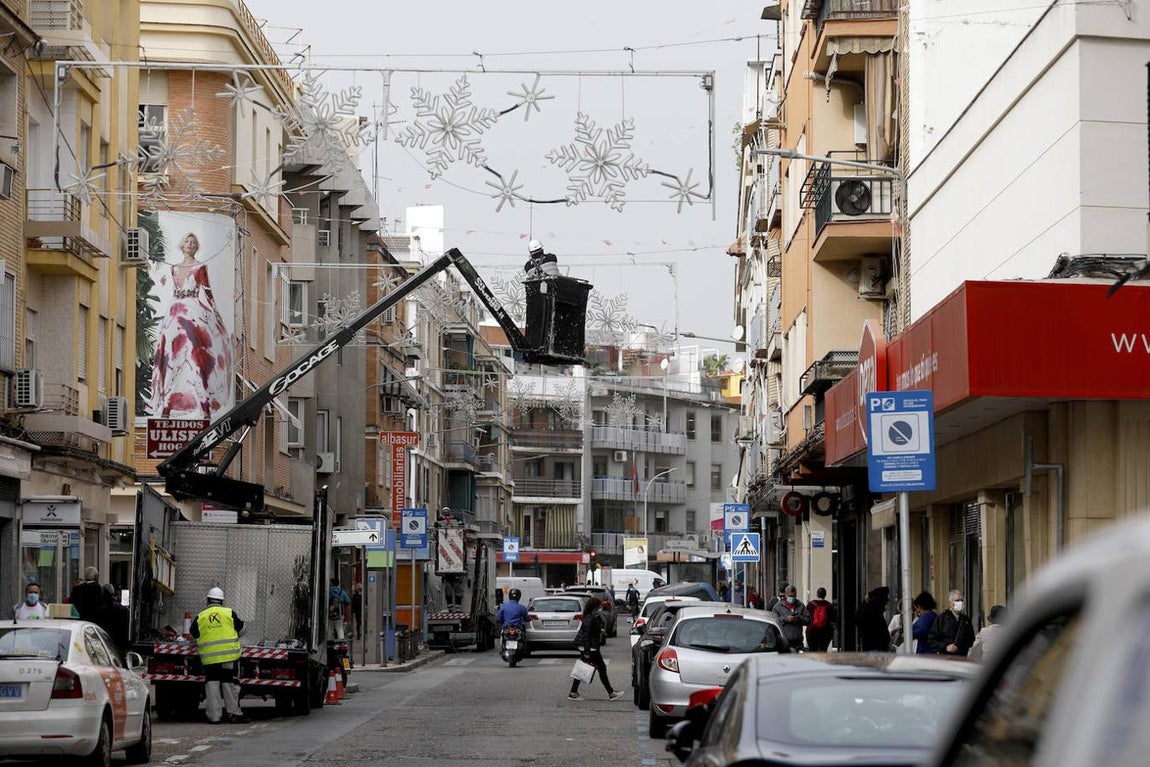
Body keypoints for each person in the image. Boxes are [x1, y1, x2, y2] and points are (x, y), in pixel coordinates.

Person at [149, 231, 233, 419]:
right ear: (183, 244)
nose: (190, 244)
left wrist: (216, 315)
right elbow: (174, 291)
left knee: (196, 357)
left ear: (196, 246)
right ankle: (166, 407)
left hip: (193, 311)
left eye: (193, 242)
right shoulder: (174, 267)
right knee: (171, 357)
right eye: (187, 241)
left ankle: (204, 406)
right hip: (175, 312)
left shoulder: (200, 267)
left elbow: (208, 291)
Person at [191, 587, 249, 724]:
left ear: (208, 600)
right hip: (229, 657)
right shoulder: (229, 613)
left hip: (210, 659)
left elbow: (194, 633)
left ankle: (214, 717)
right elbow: (242, 630)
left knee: (212, 686)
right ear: (222, 601)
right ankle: (234, 714)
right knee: (230, 685)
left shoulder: (201, 616)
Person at [568, 596, 624, 701]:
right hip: (591, 648)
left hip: (590, 647)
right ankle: (610, 693)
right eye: (598, 607)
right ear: (595, 607)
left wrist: (599, 630)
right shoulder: (590, 618)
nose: (600, 609)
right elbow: (587, 635)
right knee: (600, 668)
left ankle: (573, 692)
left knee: (584, 668)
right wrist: (587, 651)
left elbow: (591, 630)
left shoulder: (590, 617)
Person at [927, 589, 976, 657]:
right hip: (945, 658)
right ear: (950, 603)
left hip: (962, 658)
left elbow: (971, 640)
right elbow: (931, 640)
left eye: (962, 600)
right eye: (957, 600)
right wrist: (945, 647)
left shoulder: (966, 620)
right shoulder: (941, 618)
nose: (960, 602)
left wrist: (959, 648)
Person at [771, 585, 810, 652]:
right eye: (790, 596)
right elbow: (773, 621)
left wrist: (799, 618)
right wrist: (785, 619)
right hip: (784, 641)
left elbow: (808, 620)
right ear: (785, 595)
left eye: (793, 596)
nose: (791, 598)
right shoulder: (778, 606)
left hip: (798, 642)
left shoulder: (801, 606)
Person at [856, 586, 892, 652]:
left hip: (872, 647)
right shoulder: (873, 611)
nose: (887, 600)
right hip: (875, 647)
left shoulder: (869, 609)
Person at [103, 583, 131, 661]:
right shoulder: (122, 609)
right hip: (117, 644)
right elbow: (125, 629)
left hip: (104, 642)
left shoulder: (99, 609)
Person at [805, 587, 835, 652]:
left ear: (817, 594)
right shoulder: (829, 606)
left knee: (812, 651)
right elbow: (832, 619)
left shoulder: (811, 604)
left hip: (812, 631)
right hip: (825, 631)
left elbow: (806, 618)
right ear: (825, 595)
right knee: (823, 651)